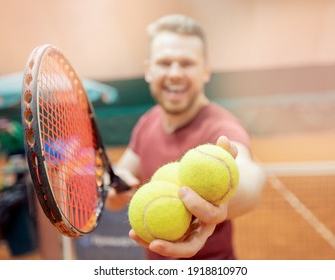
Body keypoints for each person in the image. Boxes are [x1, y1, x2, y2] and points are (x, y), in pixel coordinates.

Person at [105, 14, 266, 260]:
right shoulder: (148, 122)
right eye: (165, 62)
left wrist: (219, 201)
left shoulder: (221, 127)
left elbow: (250, 181)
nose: (175, 73)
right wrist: (115, 186)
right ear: (148, 70)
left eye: (187, 63)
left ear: (206, 72)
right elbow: (117, 190)